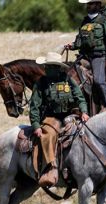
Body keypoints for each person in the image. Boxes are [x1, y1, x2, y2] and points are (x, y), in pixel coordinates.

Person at [29, 52, 89, 187]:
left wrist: (84, 111)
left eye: (51, 66)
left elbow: (79, 97)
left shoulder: (68, 80)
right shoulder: (41, 83)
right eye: (47, 66)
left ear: (58, 68)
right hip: (51, 117)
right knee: (48, 135)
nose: (47, 69)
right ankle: (51, 166)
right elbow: (34, 106)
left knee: (84, 132)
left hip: (69, 115)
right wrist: (36, 125)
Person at [65, 0, 106, 111]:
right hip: (84, 56)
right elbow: (80, 40)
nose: (88, 6)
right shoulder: (85, 21)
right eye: (87, 4)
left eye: (90, 4)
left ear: (98, 4)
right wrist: (73, 45)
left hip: (99, 56)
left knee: (99, 81)